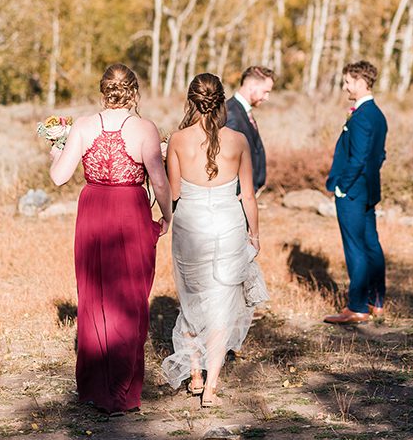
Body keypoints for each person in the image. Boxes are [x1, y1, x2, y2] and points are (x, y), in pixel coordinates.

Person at [49, 64, 170, 415]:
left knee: (93, 292)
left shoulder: (83, 126)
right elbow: (159, 182)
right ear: (133, 91)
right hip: (129, 210)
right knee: (130, 295)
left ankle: (93, 388)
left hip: (94, 209)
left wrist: (57, 152)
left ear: (103, 90)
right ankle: (121, 391)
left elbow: (59, 178)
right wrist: (167, 216)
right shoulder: (144, 128)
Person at [162, 74, 266, 407]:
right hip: (227, 228)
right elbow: (248, 195)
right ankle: (211, 388)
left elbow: (174, 192)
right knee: (221, 308)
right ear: (221, 101)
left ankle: (194, 375)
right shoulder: (237, 140)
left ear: (191, 101)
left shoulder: (177, 140)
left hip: (190, 228)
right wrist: (255, 233)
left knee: (192, 301)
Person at [324, 60, 387, 324]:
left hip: (353, 192)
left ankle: (358, 306)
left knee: (355, 247)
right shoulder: (378, 114)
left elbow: (359, 157)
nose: (345, 86)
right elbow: (380, 155)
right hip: (369, 189)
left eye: (348, 81)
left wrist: (342, 187)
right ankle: (376, 301)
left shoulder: (362, 116)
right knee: (371, 244)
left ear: (361, 82)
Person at [224, 66, 274, 195]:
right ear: (252, 85)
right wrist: (240, 192)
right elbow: (228, 159)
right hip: (238, 196)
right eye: (265, 91)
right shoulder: (231, 114)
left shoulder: (242, 111)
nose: (266, 97)